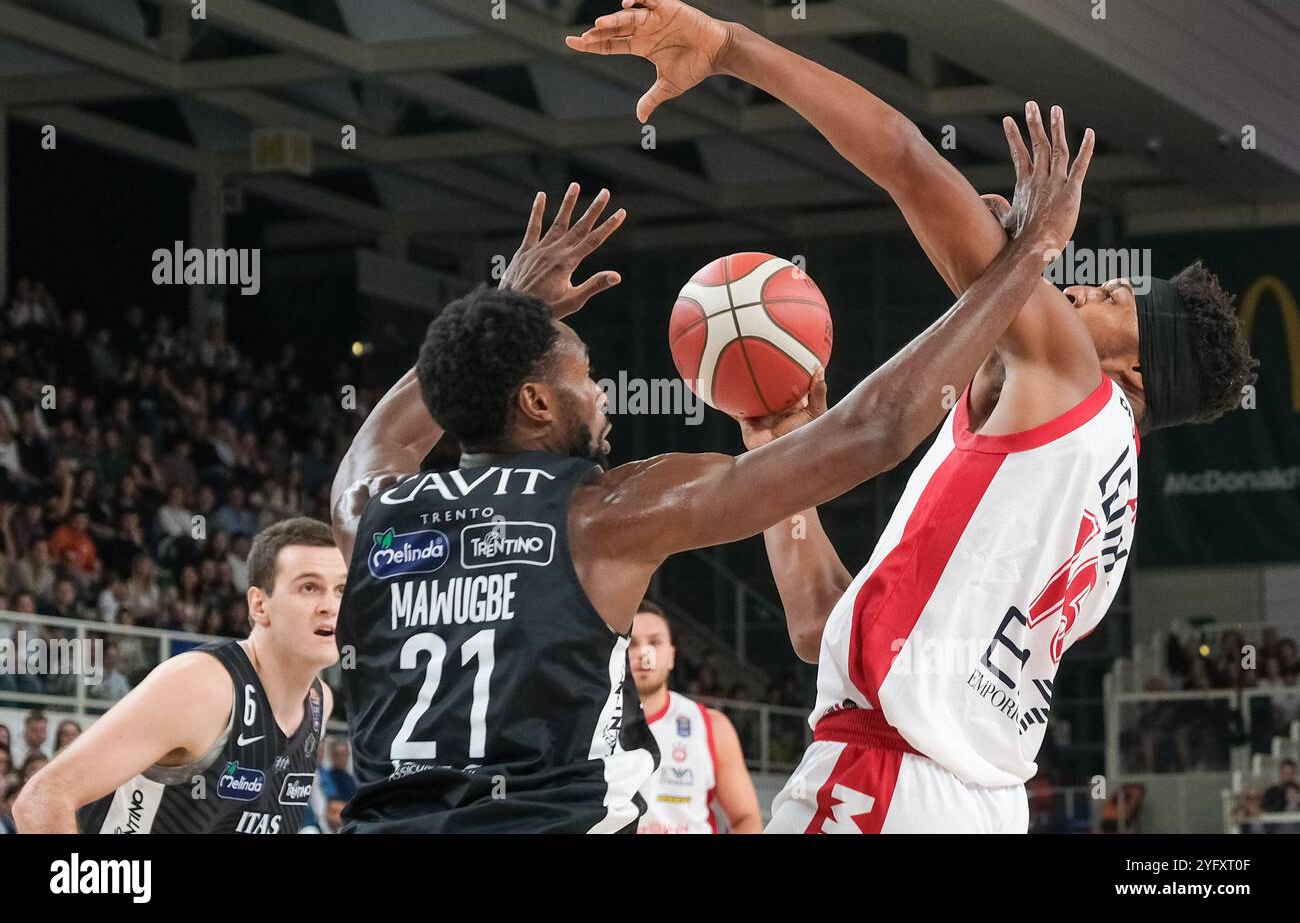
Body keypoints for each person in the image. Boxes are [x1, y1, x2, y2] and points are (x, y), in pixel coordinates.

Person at [568, 0, 1256, 833]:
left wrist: (731, 48)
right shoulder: (1099, 499)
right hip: (971, 802)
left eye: (1110, 294)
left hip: (884, 785)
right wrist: (778, 443)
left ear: (1140, 371)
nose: (1078, 285)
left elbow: (904, 160)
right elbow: (823, 629)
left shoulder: (1073, 377)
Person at [330, 135, 1094, 832]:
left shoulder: (369, 513)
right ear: (534, 403)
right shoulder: (602, 514)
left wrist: (509, 307)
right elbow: (876, 430)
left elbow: (386, 435)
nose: (602, 395)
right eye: (585, 378)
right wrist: (1028, 255)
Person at [13, 517, 342, 834]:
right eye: (309, 587)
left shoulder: (319, 702)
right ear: (259, 605)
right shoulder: (204, 686)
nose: (330, 605)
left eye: (341, 589)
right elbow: (41, 801)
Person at [630, 601, 760, 833]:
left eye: (654, 642)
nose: (644, 653)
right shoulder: (588, 725)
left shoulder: (711, 725)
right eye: (632, 643)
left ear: (671, 656)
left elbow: (746, 818)